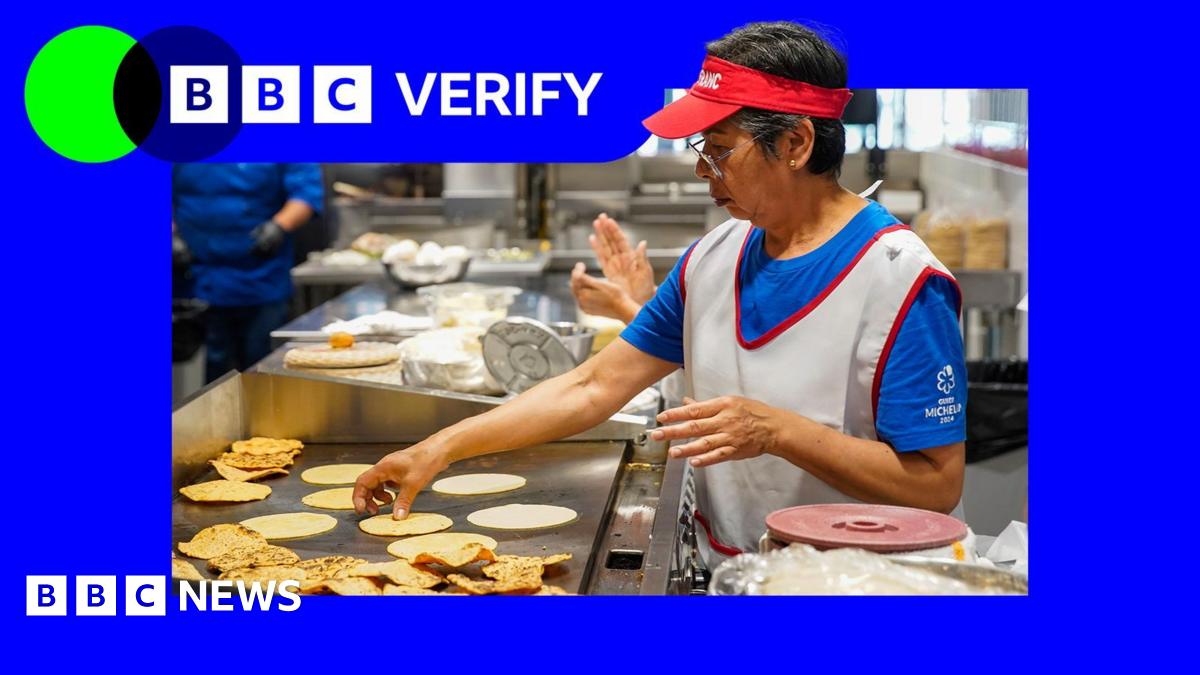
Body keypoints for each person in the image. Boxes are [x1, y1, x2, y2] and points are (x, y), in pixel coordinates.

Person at [353, 21, 968, 569]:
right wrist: (437, 449)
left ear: (796, 143)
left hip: (847, 585)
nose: (703, 171)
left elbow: (935, 487)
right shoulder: (715, 257)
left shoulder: (899, 280)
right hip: (728, 568)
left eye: (719, 150)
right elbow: (592, 386)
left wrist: (779, 431)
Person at [173, 163, 323, 382]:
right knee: (210, 375)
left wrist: (279, 226)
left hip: (261, 278)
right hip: (195, 278)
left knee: (262, 371)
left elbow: (307, 193)